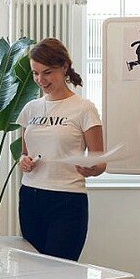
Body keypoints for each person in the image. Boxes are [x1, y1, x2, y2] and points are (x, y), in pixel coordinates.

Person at [17, 38, 106, 263]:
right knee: (33, 271)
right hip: (30, 197)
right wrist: (24, 161)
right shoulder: (30, 109)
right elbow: (25, 154)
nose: (40, 80)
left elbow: (100, 161)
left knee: (60, 271)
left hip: (67, 199)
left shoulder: (84, 108)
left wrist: (92, 169)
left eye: (47, 73)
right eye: (35, 73)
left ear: (64, 67)